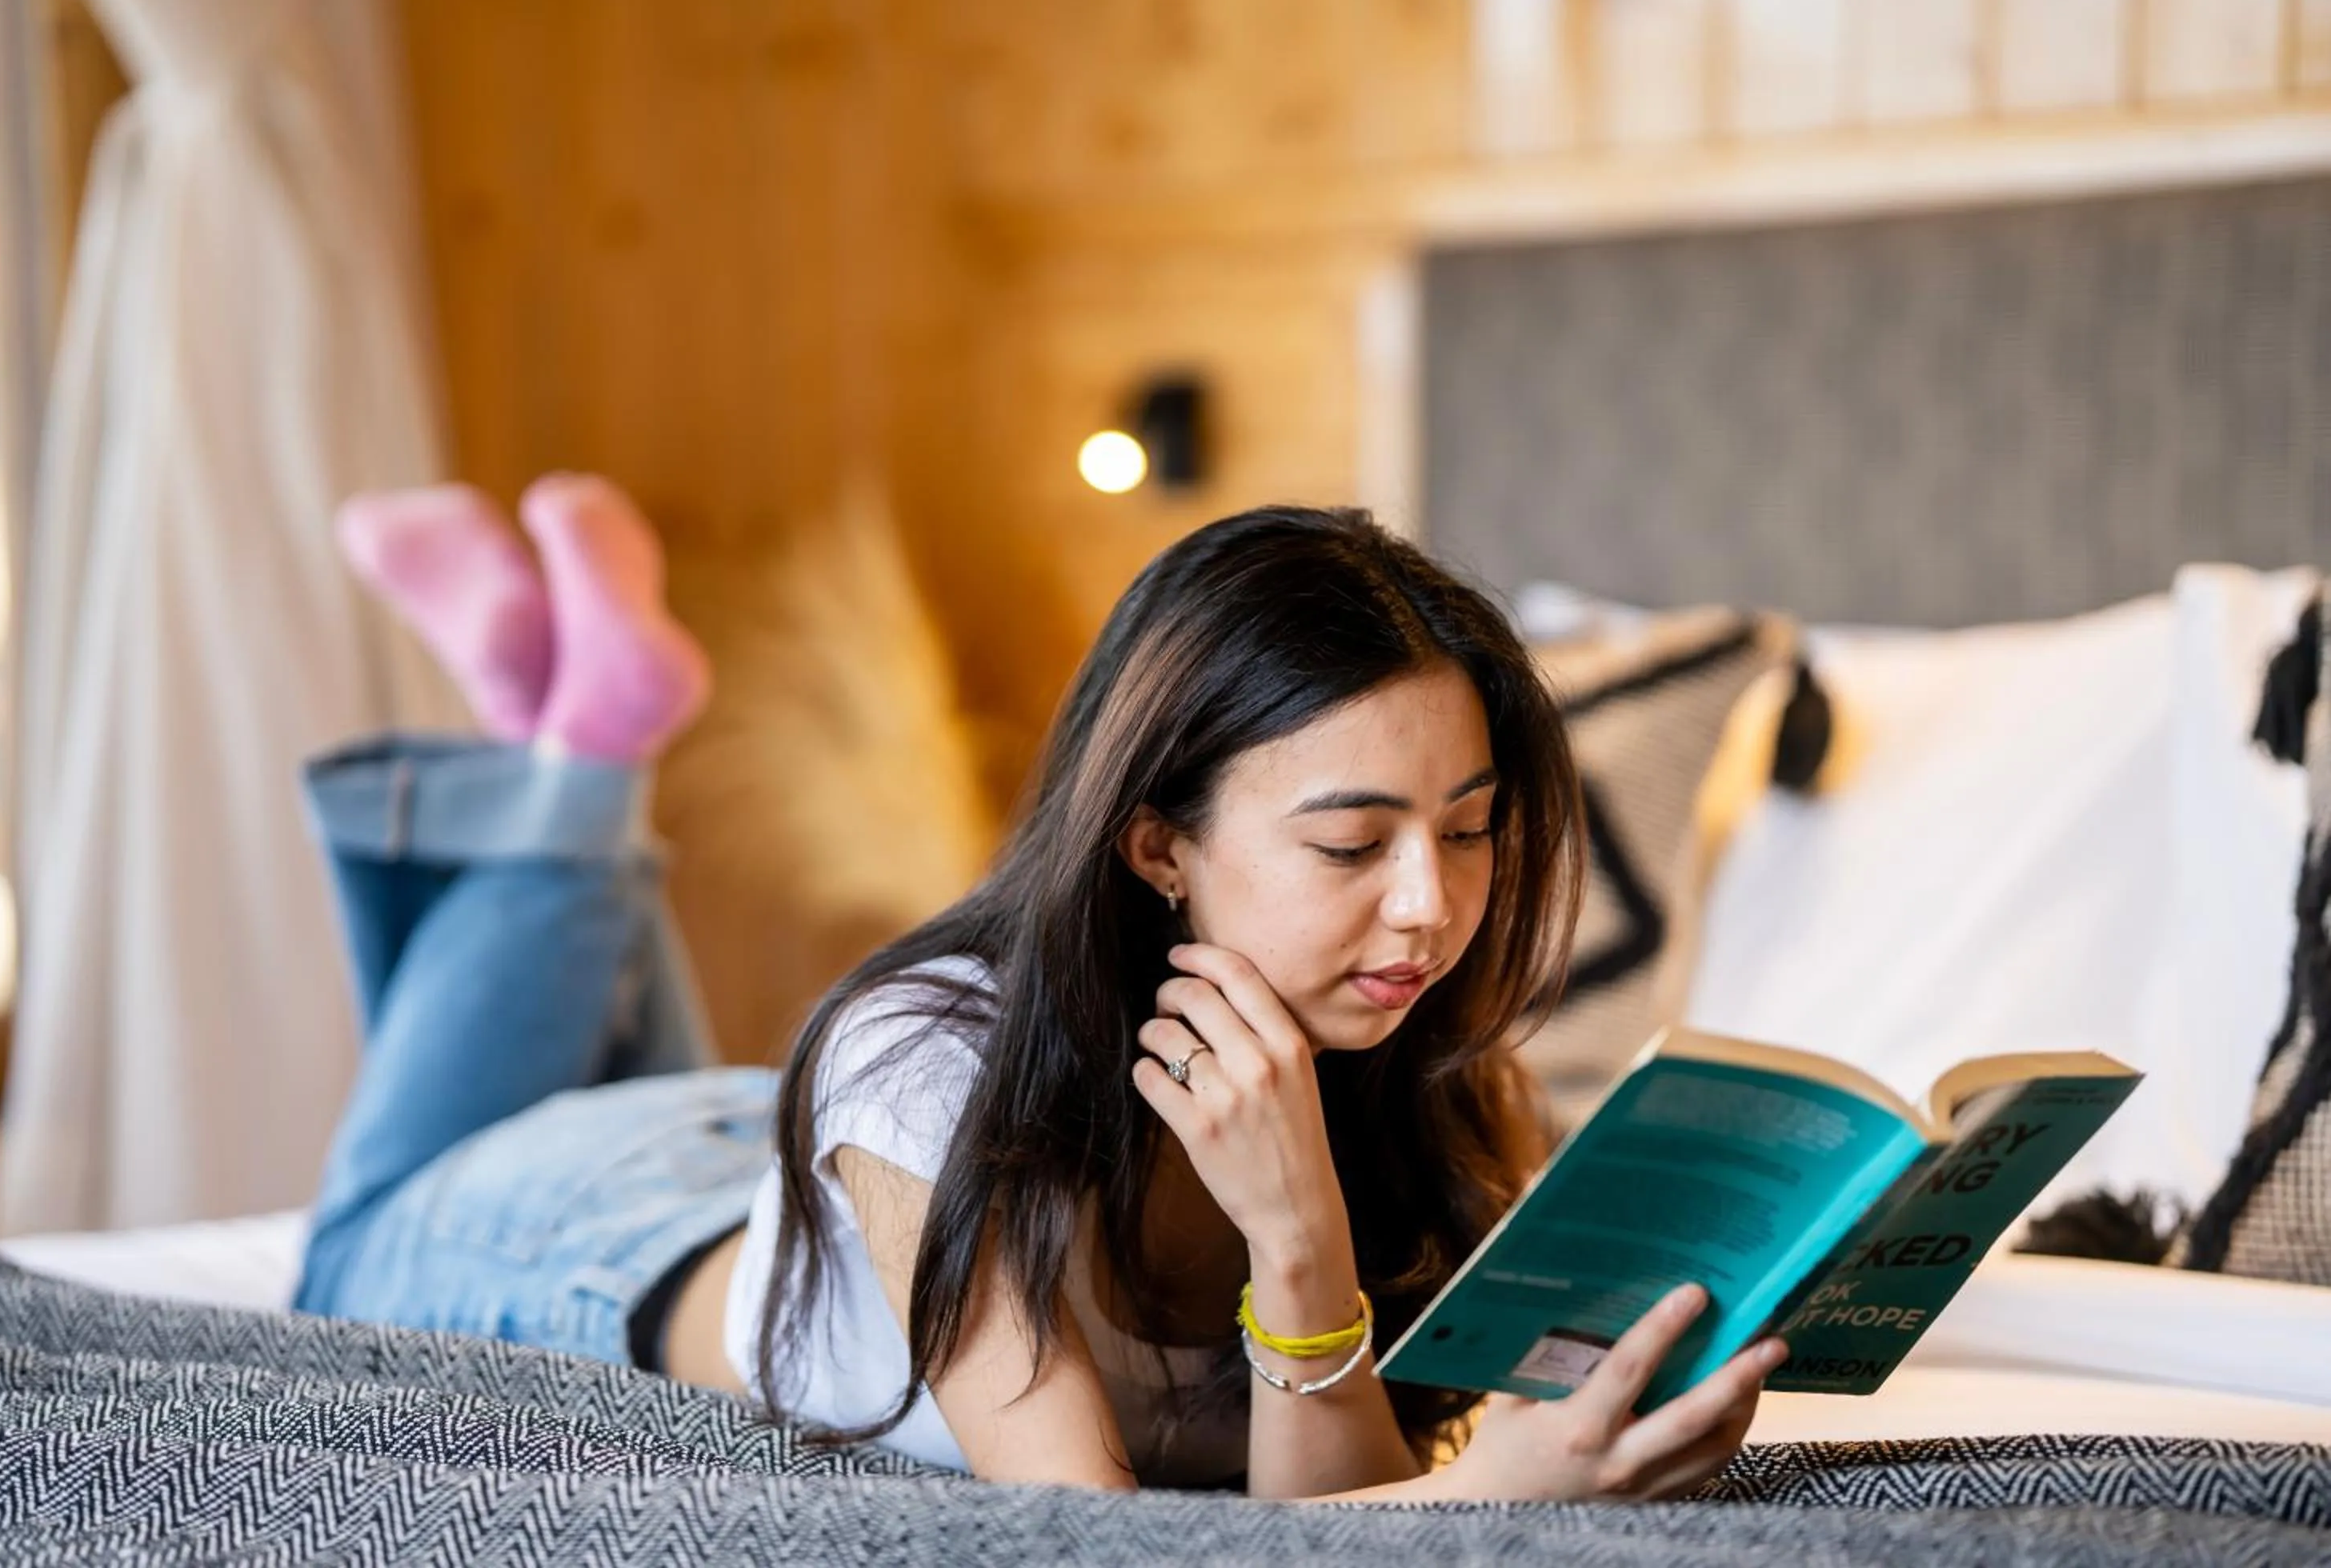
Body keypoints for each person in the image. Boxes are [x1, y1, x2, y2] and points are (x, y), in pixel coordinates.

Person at [294, 473, 1787, 1502]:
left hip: (780, 1159)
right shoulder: (921, 1069)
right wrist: (1483, 1512)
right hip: (584, 1241)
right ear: (1159, 848)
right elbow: (1090, 1529)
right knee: (347, 1241)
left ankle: (566, 731)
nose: (1432, 906)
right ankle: (586, 762)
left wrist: (1299, 1230)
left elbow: (1311, 1513)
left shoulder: (1423, 1065)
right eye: (1352, 843)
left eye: (1469, 831)